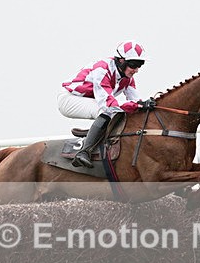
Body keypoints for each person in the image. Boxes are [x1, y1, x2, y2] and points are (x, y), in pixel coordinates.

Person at [58, 40, 152, 169]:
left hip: (90, 100)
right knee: (108, 111)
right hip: (70, 99)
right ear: (121, 61)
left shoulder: (127, 78)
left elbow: (136, 101)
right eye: (133, 64)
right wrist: (136, 106)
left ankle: (96, 135)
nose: (136, 70)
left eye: (140, 65)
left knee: (122, 112)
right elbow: (107, 103)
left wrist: (147, 105)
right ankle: (84, 152)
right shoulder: (102, 69)